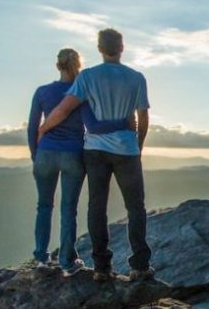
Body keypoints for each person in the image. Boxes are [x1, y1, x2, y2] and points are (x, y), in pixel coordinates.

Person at [38, 29, 153, 282]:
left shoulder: (88, 77)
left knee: (97, 206)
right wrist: (139, 146)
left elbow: (63, 109)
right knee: (135, 206)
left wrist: (43, 128)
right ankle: (140, 265)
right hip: (127, 149)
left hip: (95, 150)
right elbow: (143, 117)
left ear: (100, 49)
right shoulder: (136, 78)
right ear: (122, 48)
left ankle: (102, 267)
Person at [27, 48, 133, 276]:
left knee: (44, 206)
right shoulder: (82, 93)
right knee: (68, 209)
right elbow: (93, 126)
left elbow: (32, 127)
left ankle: (41, 258)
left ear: (58, 66)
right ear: (79, 66)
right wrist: (122, 123)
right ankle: (66, 261)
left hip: (45, 154)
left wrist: (36, 156)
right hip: (73, 154)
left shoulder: (42, 92)